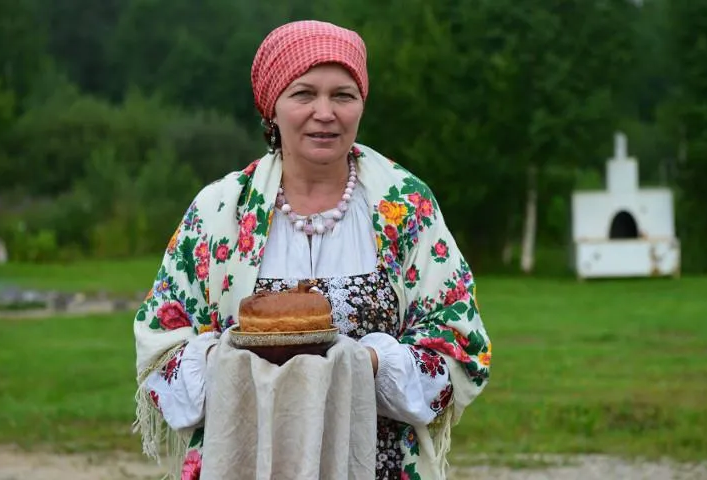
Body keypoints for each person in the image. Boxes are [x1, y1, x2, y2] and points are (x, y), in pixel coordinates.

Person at [133, 20, 491, 480]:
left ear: (361, 104)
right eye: (304, 94)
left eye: (343, 95)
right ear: (272, 108)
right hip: (246, 463)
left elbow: (461, 348)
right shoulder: (218, 211)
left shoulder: (407, 206)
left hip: (375, 465)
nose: (325, 112)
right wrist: (227, 360)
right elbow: (161, 344)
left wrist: (371, 365)